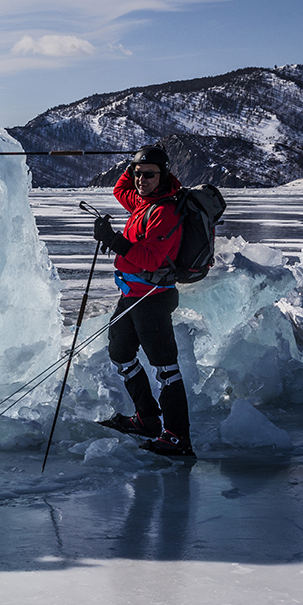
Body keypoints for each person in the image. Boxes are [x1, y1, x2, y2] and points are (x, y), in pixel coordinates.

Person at [92, 145, 194, 457]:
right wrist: (134, 160)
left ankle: (178, 437)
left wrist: (112, 240)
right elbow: (119, 188)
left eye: (149, 174)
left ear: (163, 176)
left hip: (153, 299)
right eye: (138, 173)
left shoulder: (164, 211)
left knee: (166, 369)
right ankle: (147, 419)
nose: (140, 179)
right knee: (120, 352)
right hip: (131, 296)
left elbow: (150, 259)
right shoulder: (142, 201)